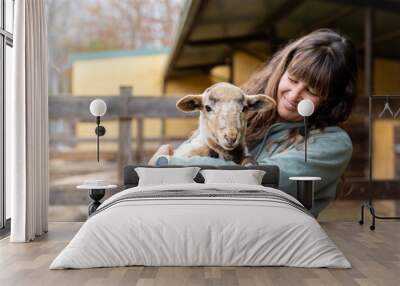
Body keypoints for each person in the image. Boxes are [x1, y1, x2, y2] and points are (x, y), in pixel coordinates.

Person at [149, 29, 357, 217]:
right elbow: (197, 148)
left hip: (273, 238)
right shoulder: (238, 107)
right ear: (282, 70)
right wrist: (167, 163)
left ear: (330, 99)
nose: (294, 95)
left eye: (311, 91)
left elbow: (258, 180)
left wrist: (171, 165)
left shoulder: (333, 143)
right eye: (293, 79)